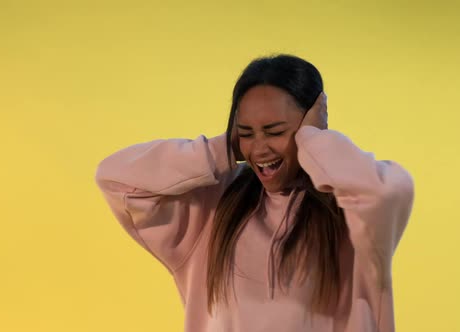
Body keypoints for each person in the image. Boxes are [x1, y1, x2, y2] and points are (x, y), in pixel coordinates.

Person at [95, 54, 415, 332]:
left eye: (275, 131)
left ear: (308, 127)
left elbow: (384, 193)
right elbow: (115, 178)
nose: (259, 149)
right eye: (246, 133)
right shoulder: (213, 209)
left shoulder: (354, 216)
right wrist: (221, 150)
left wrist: (316, 140)